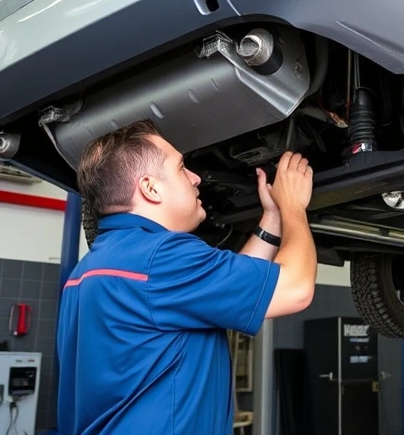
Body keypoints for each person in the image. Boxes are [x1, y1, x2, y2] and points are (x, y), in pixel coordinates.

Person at [55, 119, 317, 435]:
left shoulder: (89, 270)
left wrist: (273, 219)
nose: (196, 178)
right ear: (150, 187)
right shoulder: (161, 257)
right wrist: (294, 208)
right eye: (181, 168)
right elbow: (295, 289)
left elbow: (230, 288)